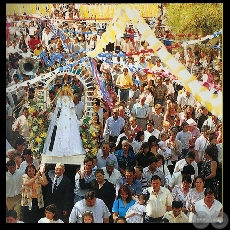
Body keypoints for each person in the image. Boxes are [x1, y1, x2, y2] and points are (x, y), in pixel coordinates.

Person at [43, 83, 85, 156]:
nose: (65, 92)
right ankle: (60, 148)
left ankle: (70, 148)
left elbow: (72, 108)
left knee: (69, 130)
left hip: (68, 115)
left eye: (66, 91)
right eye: (64, 91)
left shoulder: (70, 98)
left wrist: (73, 117)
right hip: (62, 115)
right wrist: (57, 115)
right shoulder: (60, 98)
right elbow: (58, 108)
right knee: (61, 130)